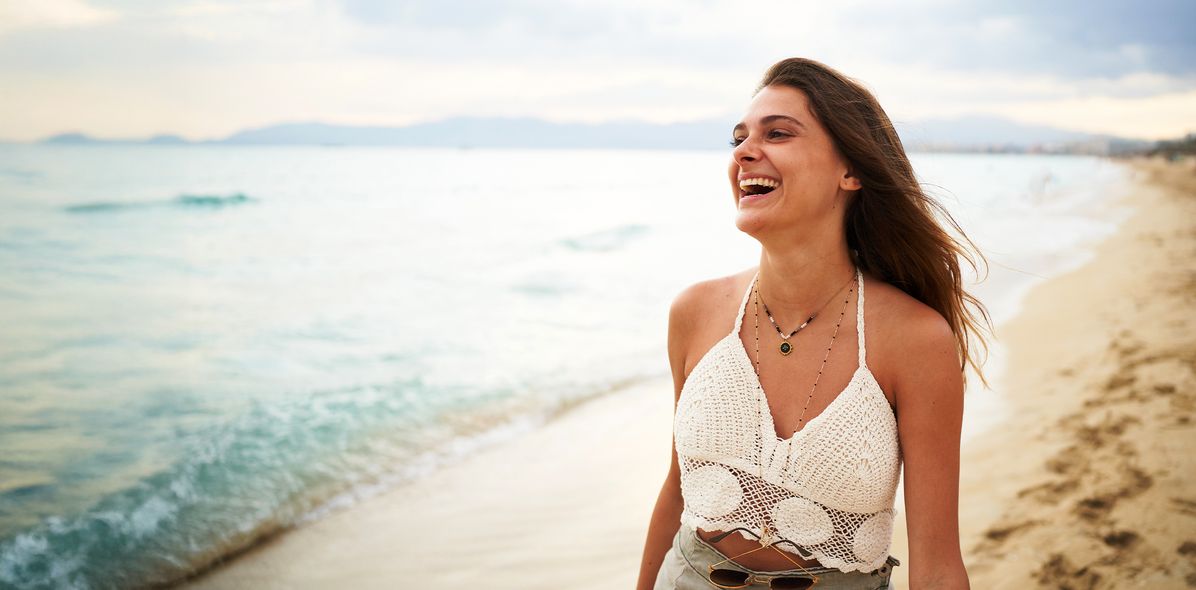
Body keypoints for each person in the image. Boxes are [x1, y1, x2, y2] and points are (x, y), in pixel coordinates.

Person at [636, 58, 991, 590]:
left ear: (850, 171)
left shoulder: (914, 339)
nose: (744, 152)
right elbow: (677, 492)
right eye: (738, 139)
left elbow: (938, 563)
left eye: (778, 133)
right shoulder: (696, 312)